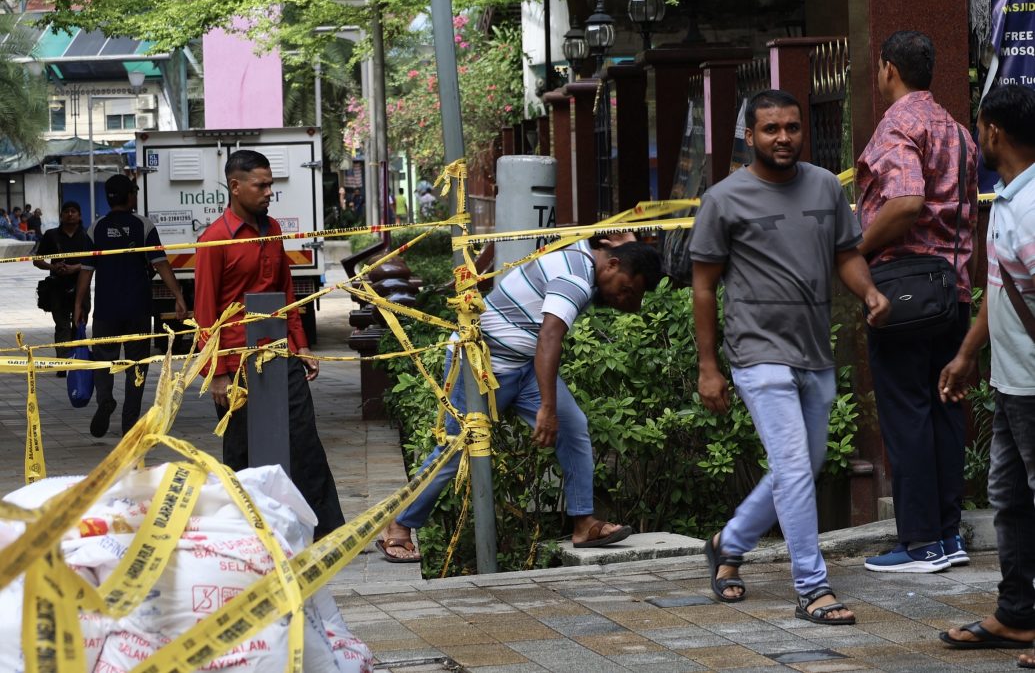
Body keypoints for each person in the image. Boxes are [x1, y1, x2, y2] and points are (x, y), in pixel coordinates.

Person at [690, 89, 890, 624]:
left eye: (792, 128)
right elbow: (704, 287)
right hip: (757, 351)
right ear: (750, 136)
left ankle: (728, 544)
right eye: (771, 129)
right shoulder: (724, 199)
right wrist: (710, 367)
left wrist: (868, 293)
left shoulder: (825, 186)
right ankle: (812, 587)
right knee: (795, 466)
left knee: (806, 464)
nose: (784, 138)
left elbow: (846, 254)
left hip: (814, 350)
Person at [377, 239, 664, 562]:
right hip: (480, 366)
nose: (624, 298)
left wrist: (632, 249)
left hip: (522, 364)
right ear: (611, 264)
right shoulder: (576, 278)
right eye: (625, 289)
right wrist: (547, 407)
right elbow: (549, 337)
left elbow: (614, 269)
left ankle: (584, 524)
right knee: (456, 450)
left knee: (573, 427)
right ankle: (399, 526)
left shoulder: (588, 258)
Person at [856, 31, 978, 573]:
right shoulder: (959, 131)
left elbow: (906, 201)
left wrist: (854, 250)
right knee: (946, 411)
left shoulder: (897, 127)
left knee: (905, 415)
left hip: (902, 291)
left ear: (886, 69)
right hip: (953, 290)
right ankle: (948, 538)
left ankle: (920, 544)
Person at [194, 149, 345, 540]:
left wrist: (303, 346)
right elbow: (205, 314)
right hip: (237, 364)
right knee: (242, 451)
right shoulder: (213, 240)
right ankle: (245, 535)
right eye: (261, 185)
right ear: (235, 186)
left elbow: (286, 294)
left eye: (270, 184)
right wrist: (217, 375)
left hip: (280, 354)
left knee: (304, 441)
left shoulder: (273, 229)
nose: (268, 192)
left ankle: (327, 531)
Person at [938, 85, 1035, 657]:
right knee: (1009, 496)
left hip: (1032, 385)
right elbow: (1002, 293)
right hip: (1012, 379)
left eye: (979, 127)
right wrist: (970, 351)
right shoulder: (1010, 199)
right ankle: (1018, 613)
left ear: (993, 131)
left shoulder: (1029, 207)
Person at [74, 175, 187, 438]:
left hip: (105, 310)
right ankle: (129, 421)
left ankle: (105, 400)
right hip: (137, 309)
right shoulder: (143, 226)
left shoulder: (96, 228)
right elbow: (160, 263)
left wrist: (79, 304)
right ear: (129, 196)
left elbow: (85, 272)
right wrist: (178, 296)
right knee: (138, 363)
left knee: (103, 359)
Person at [33, 201, 92, 375]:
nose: (70, 214)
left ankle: (77, 360)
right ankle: (63, 363)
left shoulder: (87, 235)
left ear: (79, 215)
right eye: (66, 211)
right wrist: (53, 267)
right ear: (61, 216)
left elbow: (93, 260)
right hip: (57, 287)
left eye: (74, 211)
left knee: (79, 323)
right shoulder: (51, 236)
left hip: (81, 286)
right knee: (61, 325)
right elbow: (38, 260)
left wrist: (75, 268)